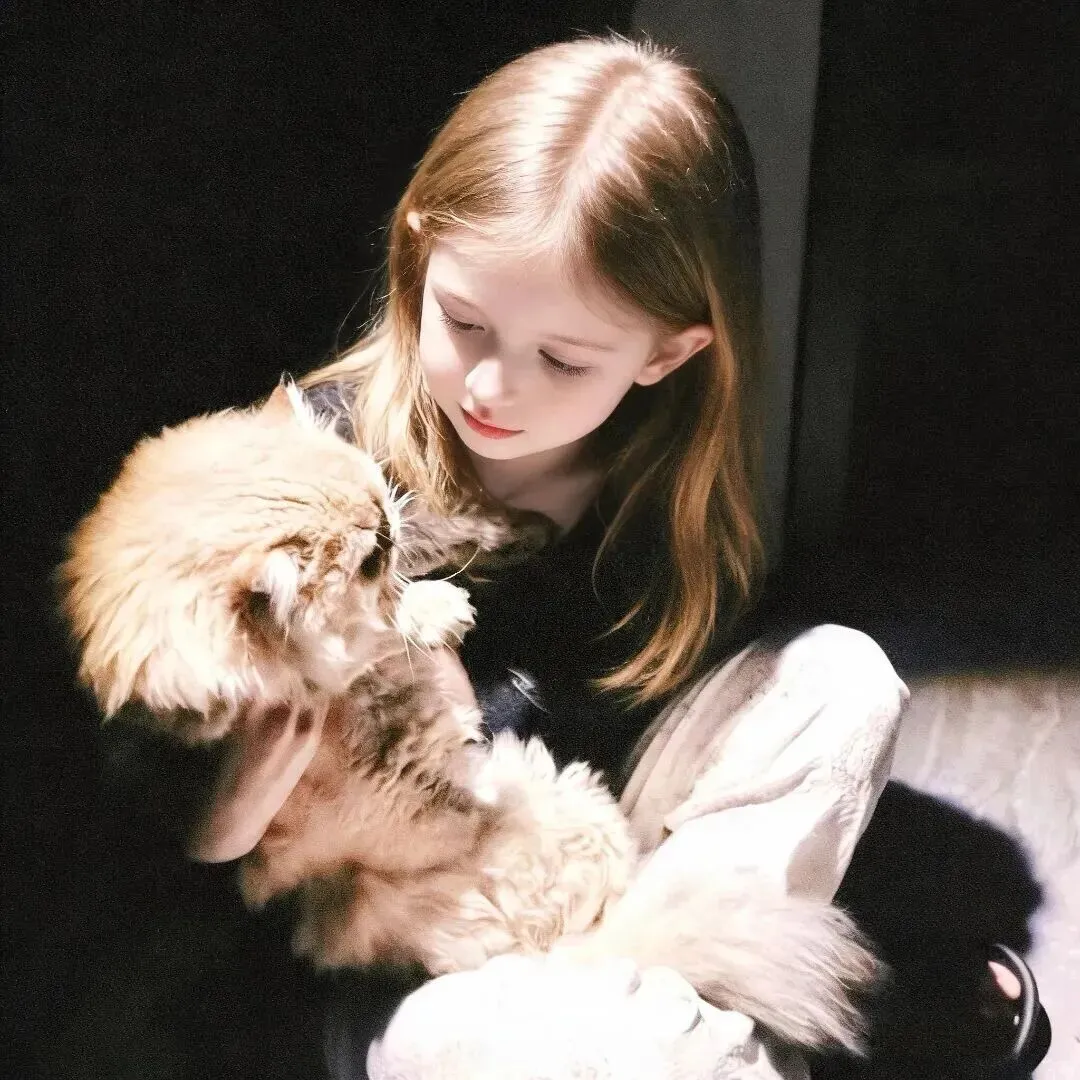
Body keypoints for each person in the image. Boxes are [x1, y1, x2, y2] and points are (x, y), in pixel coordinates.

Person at [186, 34, 1049, 1079]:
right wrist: (223, 818)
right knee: (525, 1045)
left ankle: (705, 1022)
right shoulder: (312, 463)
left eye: (563, 359)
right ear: (419, 253)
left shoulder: (658, 484)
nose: (493, 386)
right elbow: (171, 816)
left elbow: (678, 771)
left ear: (668, 353)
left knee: (843, 678)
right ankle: (761, 1027)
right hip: (404, 952)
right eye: (462, 320)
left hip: (591, 875)